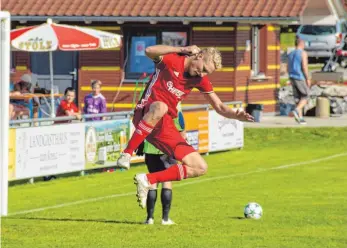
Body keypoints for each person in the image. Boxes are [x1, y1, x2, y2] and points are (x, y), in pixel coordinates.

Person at [116, 44, 254, 208]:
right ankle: (126, 153)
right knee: (161, 107)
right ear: (198, 56)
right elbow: (148, 51)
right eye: (203, 69)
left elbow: (220, 107)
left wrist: (235, 115)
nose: (202, 74)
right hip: (146, 112)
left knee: (200, 167)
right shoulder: (172, 59)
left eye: (206, 73)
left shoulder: (199, 80)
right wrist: (181, 49)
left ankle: (147, 180)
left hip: (165, 125)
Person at [139, 103, 186, 225]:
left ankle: (150, 218)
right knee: (167, 181)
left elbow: (141, 125)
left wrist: (140, 143)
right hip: (167, 149)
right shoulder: (174, 107)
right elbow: (182, 130)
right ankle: (165, 219)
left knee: (152, 182)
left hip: (150, 148)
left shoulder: (149, 105)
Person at [287, 37, 310, 125]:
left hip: (292, 77)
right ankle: (296, 110)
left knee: (298, 98)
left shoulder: (291, 53)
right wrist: (307, 78)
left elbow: (287, 66)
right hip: (299, 77)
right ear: (301, 44)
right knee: (306, 95)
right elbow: (304, 66)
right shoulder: (303, 53)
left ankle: (300, 118)